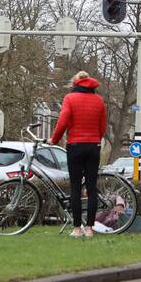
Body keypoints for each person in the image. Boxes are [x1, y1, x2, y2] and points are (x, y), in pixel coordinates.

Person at [50, 71, 107, 238]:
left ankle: (76, 228)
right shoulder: (99, 100)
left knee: (75, 188)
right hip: (93, 145)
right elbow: (102, 126)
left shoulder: (69, 98)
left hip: (75, 145)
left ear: (75, 83)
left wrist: (54, 140)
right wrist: (95, 138)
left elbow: (62, 122)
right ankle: (89, 228)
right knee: (91, 188)